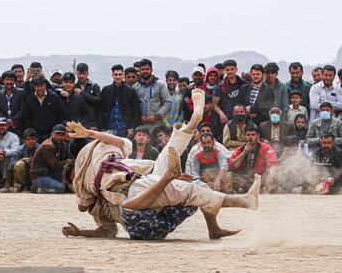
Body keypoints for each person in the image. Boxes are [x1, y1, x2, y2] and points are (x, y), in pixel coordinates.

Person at [63, 89, 260, 241]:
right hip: (144, 225)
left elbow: (121, 143)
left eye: (74, 175)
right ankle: (172, 176)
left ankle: (192, 124)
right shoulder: (95, 203)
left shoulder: (105, 162)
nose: (77, 179)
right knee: (129, 205)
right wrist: (79, 231)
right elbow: (105, 229)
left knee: (189, 183)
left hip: (154, 197)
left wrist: (89, 133)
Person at [228, 125, 278, 193]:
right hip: (245, 179)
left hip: (261, 178)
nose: (250, 137)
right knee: (228, 175)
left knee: (276, 174)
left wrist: (270, 176)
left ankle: (254, 189)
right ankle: (250, 189)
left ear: (258, 136)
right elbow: (232, 167)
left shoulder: (266, 148)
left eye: (253, 135)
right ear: (245, 137)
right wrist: (243, 153)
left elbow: (273, 164)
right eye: (248, 135)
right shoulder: (240, 149)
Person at [99, 64, 141, 138]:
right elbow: (100, 110)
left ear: (123, 75)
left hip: (124, 128)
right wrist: (102, 128)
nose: (118, 77)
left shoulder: (130, 91)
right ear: (112, 75)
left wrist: (132, 129)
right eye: (115, 74)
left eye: (120, 74)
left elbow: (136, 111)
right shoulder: (106, 90)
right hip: (109, 128)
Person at [29, 124, 73, 194]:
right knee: (61, 188)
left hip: (50, 173)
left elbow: (71, 158)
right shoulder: (47, 146)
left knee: (68, 180)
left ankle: (46, 186)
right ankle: (37, 189)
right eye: (58, 134)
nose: (60, 137)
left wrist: (74, 162)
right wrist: (68, 162)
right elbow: (54, 165)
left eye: (62, 135)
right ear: (52, 134)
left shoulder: (63, 145)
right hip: (39, 176)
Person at [21, 76, 64, 143]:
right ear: (34, 87)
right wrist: (31, 130)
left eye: (42, 86)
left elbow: (62, 113)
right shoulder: (30, 98)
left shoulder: (54, 97)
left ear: (45, 85)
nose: (40, 88)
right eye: (37, 86)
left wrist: (56, 130)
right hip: (36, 134)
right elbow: (26, 115)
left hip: (51, 132)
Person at [134, 59, 171, 132]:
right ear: (140, 71)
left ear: (151, 70)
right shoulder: (135, 87)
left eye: (147, 69)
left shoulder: (160, 85)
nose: (145, 71)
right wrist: (139, 116)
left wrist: (156, 116)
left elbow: (168, 103)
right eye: (143, 69)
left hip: (157, 125)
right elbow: (133, 106)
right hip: (141, 125)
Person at [0, 70, 25, 137]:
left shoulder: (21, 92)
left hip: (17, 127)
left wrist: (13, 121)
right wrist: (7, 120)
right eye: (7, 80)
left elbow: (23, 110)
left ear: (15, 81)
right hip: (2, 127)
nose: (9, 82)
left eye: (11, 80)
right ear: (3, 81)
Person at [8, 128, 39, 193]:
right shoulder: (20, 149)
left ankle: (31, 185)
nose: (30, 141)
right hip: (22, 176)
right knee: (20, 164)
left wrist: (35, 162)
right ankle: (20, 185)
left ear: (36, 140)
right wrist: (23, 160)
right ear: (24, 140)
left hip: (35, 174)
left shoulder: (40, 149)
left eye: (33, 139)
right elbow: (10, 166)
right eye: (28, 139)